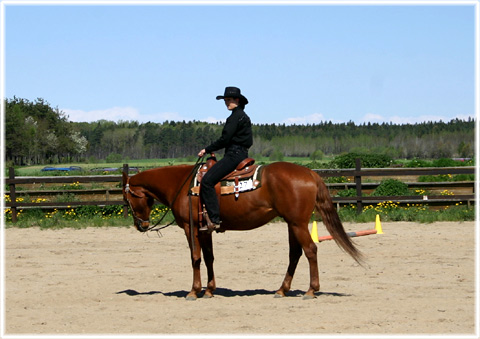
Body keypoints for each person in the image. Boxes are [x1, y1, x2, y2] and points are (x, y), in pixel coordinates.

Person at [198, 86, 253, 233]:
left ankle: (214, 219)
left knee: (207, 181)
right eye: (225, 100)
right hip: (242, 153)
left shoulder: (234, 117)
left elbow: (225, 139)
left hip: (234, 155)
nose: (227, 103)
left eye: (229, 100)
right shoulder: (243, 116)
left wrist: (207, 149)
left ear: (237, 100)